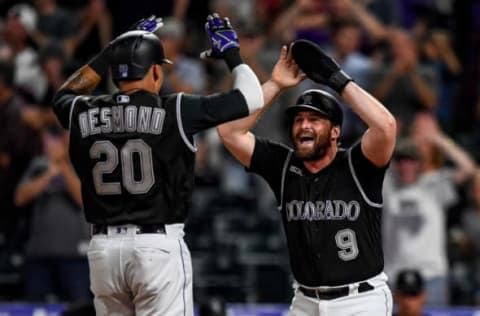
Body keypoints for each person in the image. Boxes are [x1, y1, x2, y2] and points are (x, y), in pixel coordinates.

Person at [52, 14, 264, 315]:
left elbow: (63, 94)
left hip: (103, 250)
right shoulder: (176, 109)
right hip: (156, 247)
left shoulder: (83, 110)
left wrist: (111, 51)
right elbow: (252, 97)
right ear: (155, 71)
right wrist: (231, 53)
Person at [217, 42, 397, 314]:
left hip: (360, 300)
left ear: (335, 131)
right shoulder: (283, 165)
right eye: (299, 119)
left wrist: (339, 81)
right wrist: (276, 84)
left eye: (315, 119)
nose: (303, 125)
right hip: (305, 301)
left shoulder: (358, 165)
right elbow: (229, 131)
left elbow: (386, 126)